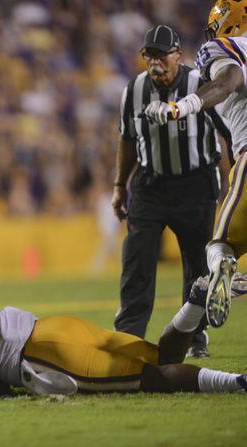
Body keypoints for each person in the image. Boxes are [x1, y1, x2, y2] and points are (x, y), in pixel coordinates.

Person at [0, 282, 247, 396]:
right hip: (53, 326)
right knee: (161, 355)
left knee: (155, 379)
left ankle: (237, 384)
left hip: (44, 359)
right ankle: (195, 303)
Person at [112, 25, 231, 357]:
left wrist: (228, 183)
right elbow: (126, 139)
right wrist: (120, 185)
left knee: (197, 267)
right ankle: (129, 338)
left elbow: (225, 137)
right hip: (150, 185)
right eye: (149, 55)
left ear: (178, 55)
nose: (156, 63)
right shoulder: (133, 91)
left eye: (162, 55)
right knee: (137, 261)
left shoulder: (198, 85)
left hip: (195, 184)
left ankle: (195, 337)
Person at [144, 1, 247, 331]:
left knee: (219, 245)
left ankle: (223, 270)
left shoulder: (223, 47)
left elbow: (228, 80)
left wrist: (184, 105)